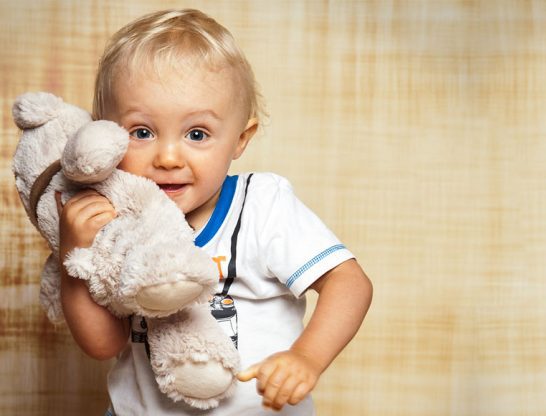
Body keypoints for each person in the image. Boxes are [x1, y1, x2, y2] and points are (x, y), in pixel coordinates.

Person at [56, 8, 373, 415]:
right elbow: (104, 344)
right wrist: (74, 256)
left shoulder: (262, 205)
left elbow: (349, 283)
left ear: (241, 139)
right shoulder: (113, 220)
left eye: (196, 134)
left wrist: (307, 357)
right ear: (105, 135)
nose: (168, 157)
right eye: (142, 132)